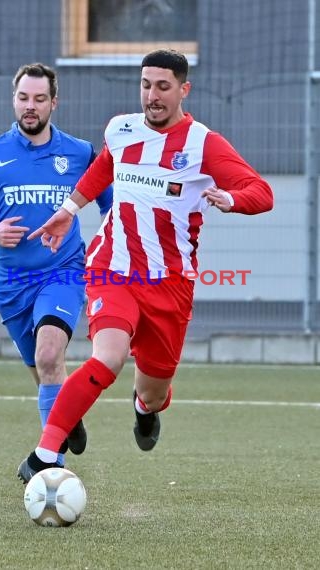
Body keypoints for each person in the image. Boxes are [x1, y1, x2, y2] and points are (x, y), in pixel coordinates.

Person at [17, 49, 273, 483]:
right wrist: (69, 208)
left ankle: (144, 408)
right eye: (145, 85)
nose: (151, 96)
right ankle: (44, 454)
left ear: (183, 90)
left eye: (162, 86)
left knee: (153, 391)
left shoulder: (204, 144)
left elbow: (261, 191)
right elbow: (103, 169)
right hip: (112, 268)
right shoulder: (122, 129)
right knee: (108, 357)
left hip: (170, 285)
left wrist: (232, 199)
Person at [0, 62, 113, 467]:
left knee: (49, 356)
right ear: (14, 100)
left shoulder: (79, 153)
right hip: (10, 282)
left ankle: (51, 470)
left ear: (53, 103)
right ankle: (68, 416)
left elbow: (111, 204)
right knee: (43, 367)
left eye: (39, 99)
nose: (31, 106)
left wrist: (105, 243)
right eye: (24, 98)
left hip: (62, 273)